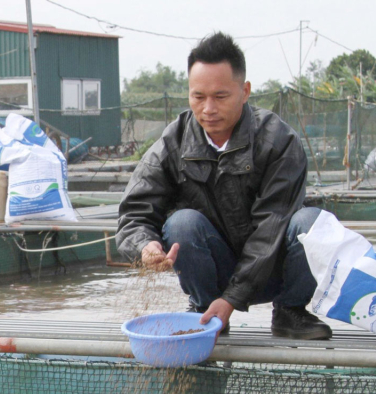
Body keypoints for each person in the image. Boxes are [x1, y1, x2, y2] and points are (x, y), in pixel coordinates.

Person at [116, 32, 331, 340]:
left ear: (244, 91)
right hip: (216, 269)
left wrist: (232, 298)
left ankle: (290, 312)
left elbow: (272, 227)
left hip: (274, 270)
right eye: (198, 97)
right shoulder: (173, 142)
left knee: (312, 223)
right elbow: (134, 212)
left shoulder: (279, 141)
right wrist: (146, 246)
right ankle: (206, 311)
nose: (208, 109)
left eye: (220, 97)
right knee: (182, 223)